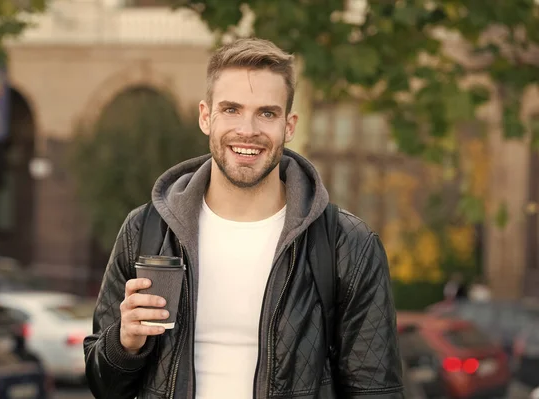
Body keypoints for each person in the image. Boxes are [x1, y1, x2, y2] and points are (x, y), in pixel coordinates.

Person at [84, 38, 404, 399]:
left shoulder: (347, 244)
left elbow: (376, 390)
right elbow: (102, 384)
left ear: (289, 125)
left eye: (266, 113)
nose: (247, 130)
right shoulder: (146, 230)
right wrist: (124, 345)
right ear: (206, 117)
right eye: (231, 109)